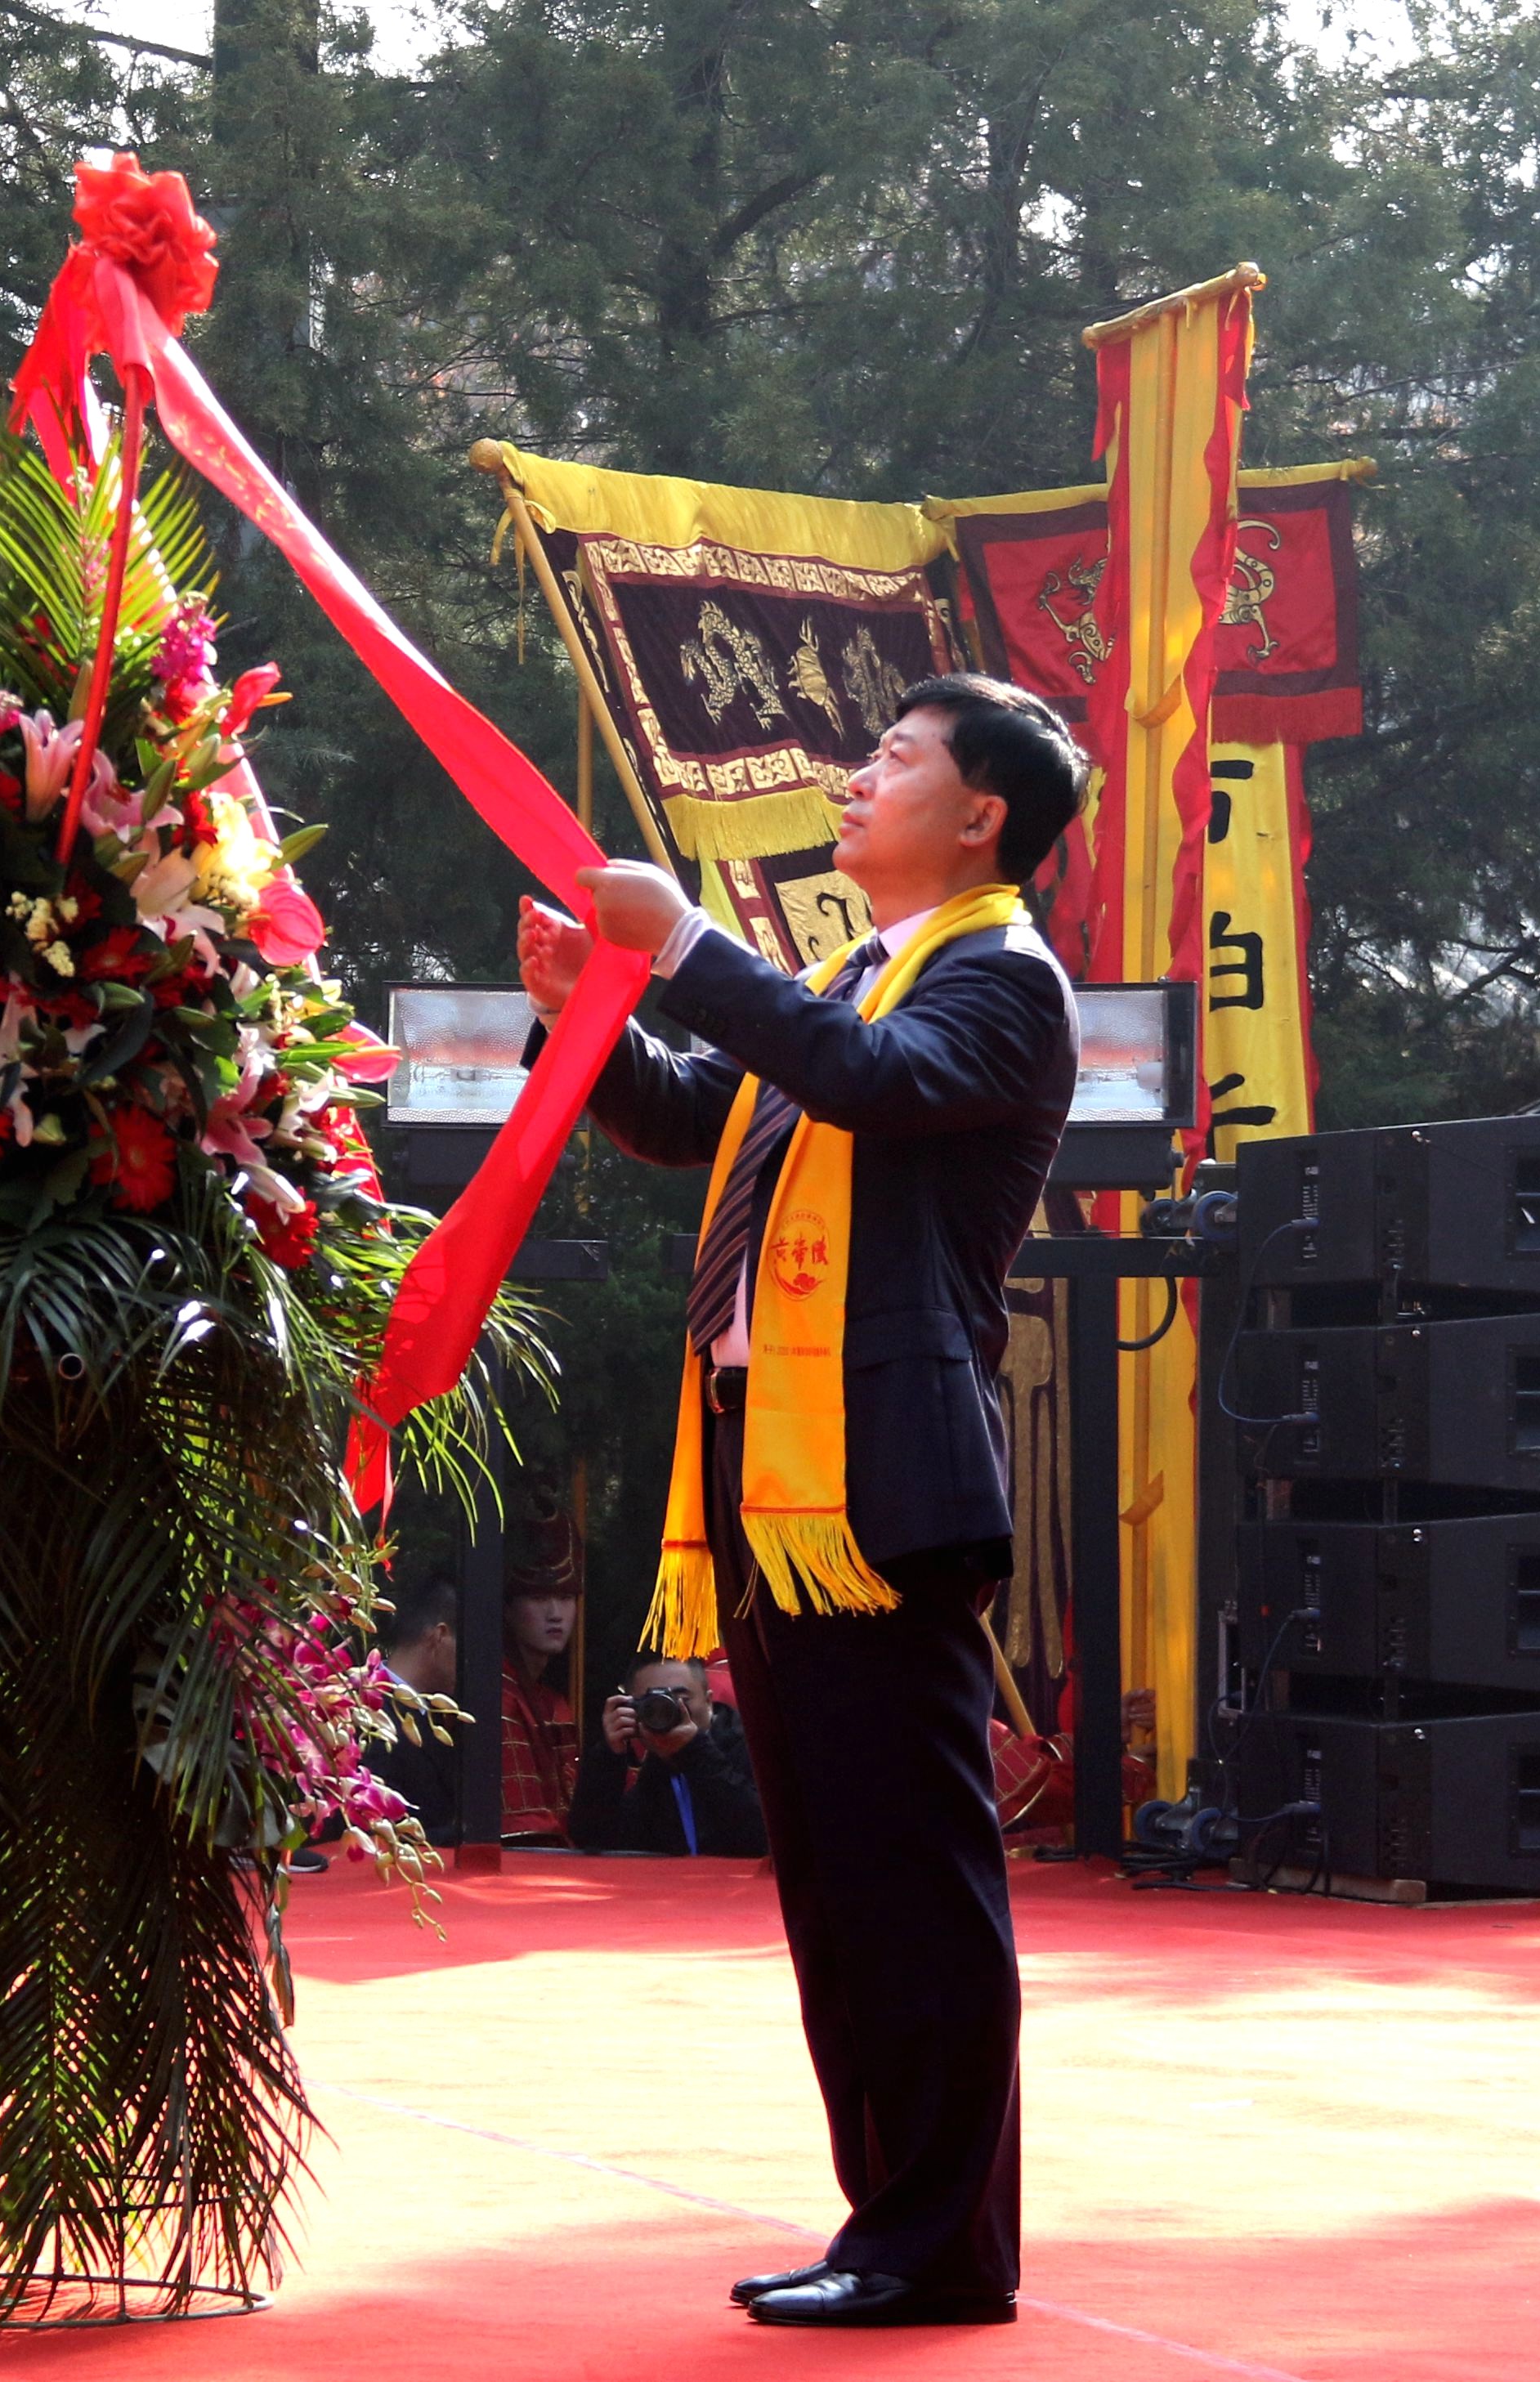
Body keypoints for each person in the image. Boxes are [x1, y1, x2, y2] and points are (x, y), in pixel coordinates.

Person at [517, 672, 1083, 2329]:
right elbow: (703, 1113)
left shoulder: (1001, 982)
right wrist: (591, 1016)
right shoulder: (856, 973)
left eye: (893, 757)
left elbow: (869, 1078)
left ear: (981, 814)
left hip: (876, 1484)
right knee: (833, 1876)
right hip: (772, 1479)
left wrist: (687, 944)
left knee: (911, 1870)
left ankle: (943, 2240)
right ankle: (884, 2221)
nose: (856, 776)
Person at [568, 1653, 768, 1856]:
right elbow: (591, 1839)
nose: (668, 1710)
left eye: (681, 1699)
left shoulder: (754, 1744)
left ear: (708, 1701)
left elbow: (763, 1837)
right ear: (634, 1710)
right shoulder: (655, 1771)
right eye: (652, 1703)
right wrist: (609, 1756)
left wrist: (694, 1750)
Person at [366, 1574, 463, 1839]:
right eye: (465, 1646)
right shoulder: (367, 1711)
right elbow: (383, 1828)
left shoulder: (431, 1715)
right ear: (439, 1637)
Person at [499, 1574, 580, 1842]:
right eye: (539, 1598)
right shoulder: (500, 1697)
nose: (555, 1614)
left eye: (566, 1598)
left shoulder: (551, 1700)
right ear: (508, 1610)